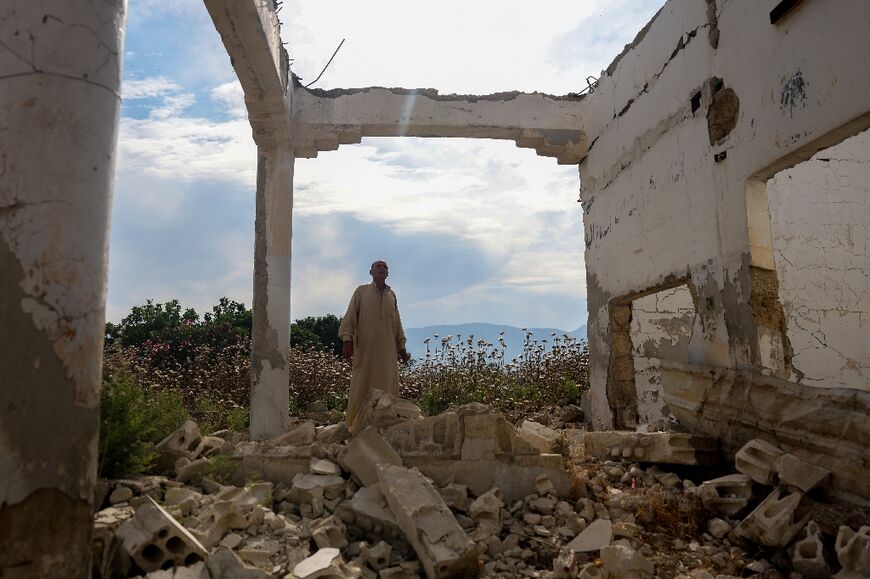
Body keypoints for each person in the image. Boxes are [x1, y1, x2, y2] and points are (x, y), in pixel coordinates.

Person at [338, 260, 410, 432]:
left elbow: (397, 324)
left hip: (387, 353)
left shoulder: (391, 296)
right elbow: (350, 317)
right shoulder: (361, 292)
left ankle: (386, 428)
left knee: (387, 389)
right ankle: (354, 428)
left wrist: (402, 348)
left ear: (388, 273)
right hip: (366, 351)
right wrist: (347, 340)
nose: (381, 268)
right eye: (378, 266)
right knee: (361, 387)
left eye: (385, 267)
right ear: (370, 272)